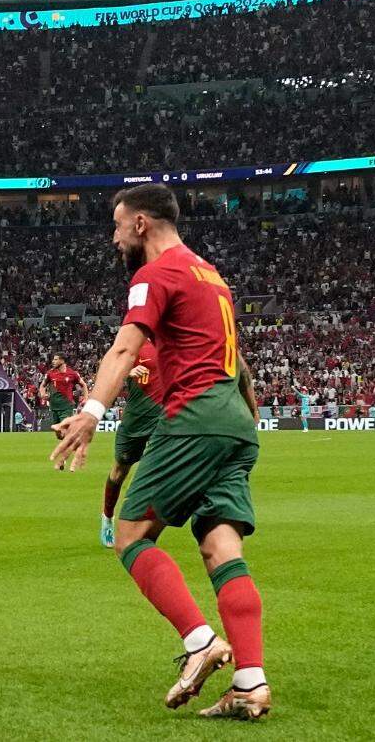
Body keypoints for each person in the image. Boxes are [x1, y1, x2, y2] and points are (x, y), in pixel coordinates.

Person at [50, 184, 270, 720]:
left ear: (142, 224)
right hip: (234, 423)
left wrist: (91, 412)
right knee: (222, 548)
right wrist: (247, 414)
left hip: (193, 419)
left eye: (118, 225)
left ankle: (200, 643)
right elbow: (236, 362)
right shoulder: (210, 274)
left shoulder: (155, 274)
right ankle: (250, 683)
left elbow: (125, 346)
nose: (114, 236)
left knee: (130, 535)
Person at [100, 339, 163, 548]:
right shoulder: (136, 345)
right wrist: (127, 372)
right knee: (119, 470)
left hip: (163, 420)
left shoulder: (174, 343)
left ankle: (142, 528)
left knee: (155, 471)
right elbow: (107, 372)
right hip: (135, 421)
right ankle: (107, 518)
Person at [40, 353, 88, 429]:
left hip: (66, 407)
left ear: (62, 361)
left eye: (56, 359)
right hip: (53, 408)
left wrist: (85, 399)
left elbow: (84, 385)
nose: (53, 361)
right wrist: (43, 393)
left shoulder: (72, 373)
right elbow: (42, 385)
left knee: (64, 429)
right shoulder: (50, 373)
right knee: (58, 432)